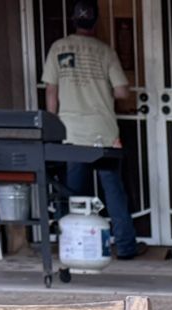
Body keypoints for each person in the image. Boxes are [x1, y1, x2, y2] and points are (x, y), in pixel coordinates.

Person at [41, 0, 140, 259]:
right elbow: (121, 91)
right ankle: (127, 246)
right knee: (113, 189)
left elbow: (51, 90)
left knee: (73, 191)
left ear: (74, 21)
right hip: (103, 131)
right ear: (96, 22)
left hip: (72, 132)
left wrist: (53, 125)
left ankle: (74, 246)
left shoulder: (58, 48)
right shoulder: (105, 51)